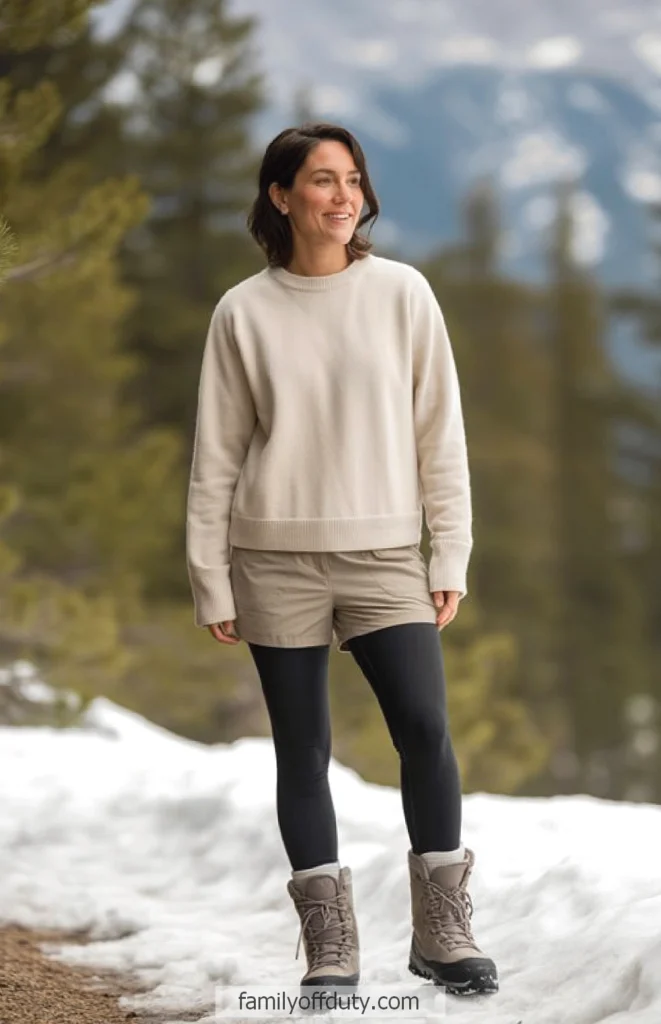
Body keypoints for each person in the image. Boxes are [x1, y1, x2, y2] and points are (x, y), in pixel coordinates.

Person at [185, 122, 498, 998]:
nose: (343, 196)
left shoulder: (401, 293)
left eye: (352, 179)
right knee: (302, 751)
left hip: (384, 557)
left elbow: (440, 435)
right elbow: (216, 455)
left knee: (424, 730)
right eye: (322, 180)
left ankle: (442, 931)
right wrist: (209, 575)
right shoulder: (242, 311)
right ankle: (330, 947)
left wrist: (450, 550)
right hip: (272, 560)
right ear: (280, 195)